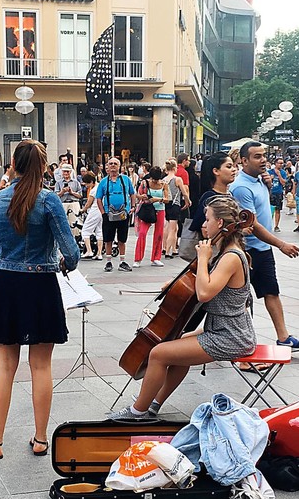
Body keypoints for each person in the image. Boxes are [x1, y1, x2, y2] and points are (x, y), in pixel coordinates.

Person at [108, 196, 256, 421]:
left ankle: (137, 412)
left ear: (221, 223)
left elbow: (205, 292)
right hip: (223, 329)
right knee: (176, 345)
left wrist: (203, 258)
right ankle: (154, 404)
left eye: (207, 220)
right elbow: (202, 286)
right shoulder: (227, 252)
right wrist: (178, 284)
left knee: (158, 353)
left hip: (230, 336)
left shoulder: (231, 257)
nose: (203, 224)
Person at [0, 139, 80, 460]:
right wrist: (62, 263)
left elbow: (6, 238)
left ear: (14, 164)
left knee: (5, 365)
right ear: (43, 166)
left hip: (6, 284)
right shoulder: (49, 201)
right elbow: (72, 254)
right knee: (41, 365)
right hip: (41, 285)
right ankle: (40, 439)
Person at [229, 144, 299, 352]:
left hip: (262, 248)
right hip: (247, 251)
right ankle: (238, 341)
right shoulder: (241, 187)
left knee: (271, 291)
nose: (263, 160)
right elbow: (251, 223)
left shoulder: (260, 181)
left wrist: (266, 186)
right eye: (257, 157)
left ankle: (283, 337)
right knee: (240, 299)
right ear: (244, 161)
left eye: (264, 156)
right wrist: (281, 244)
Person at [95, 157, 135, 272]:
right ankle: (108, 262)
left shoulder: (126, 180)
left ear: (119, 166)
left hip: (123, 213)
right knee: (108, 239)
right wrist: (103, 213)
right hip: (108, 214)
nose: (113, 166)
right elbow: (98, 198)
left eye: (115, 164)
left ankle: (122, 261)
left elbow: (132, 194)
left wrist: (132, 207)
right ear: (107, 166)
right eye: (110, 163)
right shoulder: (103, 182)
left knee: (122, 239)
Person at [132, 166, 169, 268]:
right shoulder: (145, 183)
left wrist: (157, 199)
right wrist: (142, 197)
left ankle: (156, 258)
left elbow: (167, 199)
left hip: (160, 209)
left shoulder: (164, 184)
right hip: (148, 210)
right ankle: (138, 258)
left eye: (157, 179)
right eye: (153, 179)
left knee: (159, 234)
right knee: (142, 233)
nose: (155, 181)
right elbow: (137, 195)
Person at [163, 158, 189, 258]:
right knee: (172, 229)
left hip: (166, 205)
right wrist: (188, 201)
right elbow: (184, 193)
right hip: (175, 205)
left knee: (168, 226)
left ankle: (167, 247)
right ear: (174, 168)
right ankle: (168, 252)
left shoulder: (164, 180)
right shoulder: (177, 179)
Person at [78, 173, 103, 260]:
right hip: (102, 211)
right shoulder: (101, 186)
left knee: (85, 230)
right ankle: (99, 253)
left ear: (91, 182)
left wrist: (83, 210)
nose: (86, 186)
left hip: (95, 210)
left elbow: (89, 203)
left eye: (87, 184)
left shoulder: (93, 190)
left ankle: (89, 251)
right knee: (99, 231)